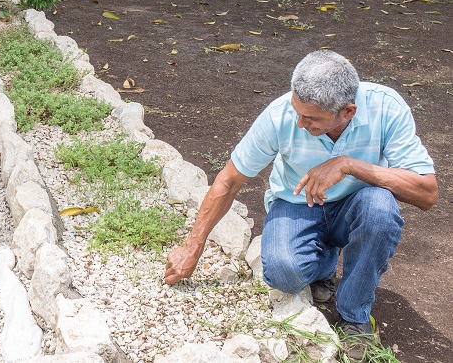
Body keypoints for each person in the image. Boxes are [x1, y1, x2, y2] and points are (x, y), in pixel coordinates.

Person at [164, 50, 437, 361]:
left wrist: (349, 165)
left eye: (312, 118)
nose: (299, 122)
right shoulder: (279, 115)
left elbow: (427, 194)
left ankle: (354, 315)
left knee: (380, 209)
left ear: (347, 111)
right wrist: (193, 245)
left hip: (358, 203)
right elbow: (229, 180)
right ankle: (324, 263)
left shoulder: (386, 107)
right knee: (284, 274)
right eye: (298, 111)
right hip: (297, 203)